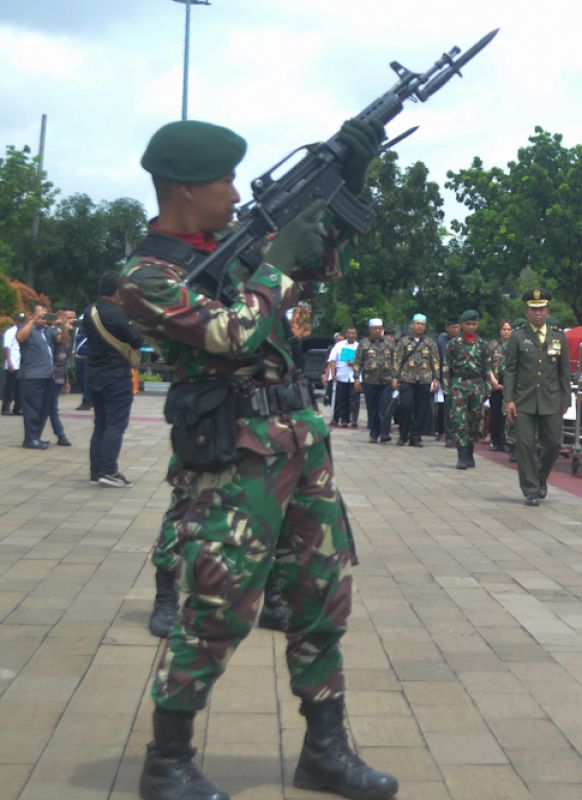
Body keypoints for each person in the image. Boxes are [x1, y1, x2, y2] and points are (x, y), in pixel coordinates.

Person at [120, 118, 396, 800]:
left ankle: (325, 750)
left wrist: (343, 188)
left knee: (322, 597)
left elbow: (309, 265)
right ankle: (168, 762)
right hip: (233, 458)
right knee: (217, 608)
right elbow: (231, 332)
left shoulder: (235, 249)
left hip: (299, 443)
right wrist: (276, 262)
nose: (236, 191)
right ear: (185, 188)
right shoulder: (147, 274)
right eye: (225, 180)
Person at [504, 289, 572, 506]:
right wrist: (509, 400)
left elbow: (564, 371)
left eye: (541, 309)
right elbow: (510, 370)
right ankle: (531, 489)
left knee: (553, 443)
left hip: (551, 399)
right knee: (525, 444)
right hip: (524, 399)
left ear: (547, 311)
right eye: (533, 310)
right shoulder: (518, 336)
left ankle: (541, 478)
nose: (537, 314)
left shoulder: (558, 337)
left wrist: (566, 399)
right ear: (527, 312)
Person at [80, 272, 144, 486]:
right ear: (117, 291)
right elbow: (137, 339)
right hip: (115, 376)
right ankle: (109, 471)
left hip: (94, 374)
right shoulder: (117, 314)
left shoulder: (89, 312)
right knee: (116, 425)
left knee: (100, 424)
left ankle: (96, 471)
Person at [15, 304, 69, 449]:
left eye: (45, 316)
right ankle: (30, 439)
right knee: (32, 408)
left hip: (47, 375)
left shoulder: (48, 331)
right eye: (41, 316)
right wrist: (33, 321)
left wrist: (63, 325)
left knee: (44, 409)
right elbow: (20, 338)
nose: (44, 319)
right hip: (31, 376)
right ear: (31, 315)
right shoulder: (25, 327)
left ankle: (36, 437)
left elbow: (62, 340)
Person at [444, 310, 489, 469]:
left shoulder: (483, 345)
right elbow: (446, 367)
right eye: (468, 324)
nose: (471, 327)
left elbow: (487, 369)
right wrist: (447, 389)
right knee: (459, 420)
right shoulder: (453, 344)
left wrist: (487, 390)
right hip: (459, 384)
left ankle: (470, 451)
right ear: (462, 325)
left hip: (477, 384)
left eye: (474, 324)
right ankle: (461, 455)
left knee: (475, 420)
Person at [393, 313, 440, 446]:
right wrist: (395, 377)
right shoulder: (404, 341)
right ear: (412, 325)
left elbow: (435, 361)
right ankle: (403, 434)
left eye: (422, 324)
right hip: (407, 378)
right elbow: (397, 360)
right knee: (405, 406)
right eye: (417, 323)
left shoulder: (430, 342)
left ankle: (416, 436)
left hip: (425, 379)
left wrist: (436, 379)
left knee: (421, 409)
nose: (419, 326)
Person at [353, 318, 396, 443]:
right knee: (372, 409)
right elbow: (358, 362)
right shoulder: (364, 343)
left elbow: (395, 361)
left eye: (379, 328)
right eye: (374, 328)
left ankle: (384, 433)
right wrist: (356, 379)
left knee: (384, 407)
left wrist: (395, 378)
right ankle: (374, 433)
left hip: (386, 381)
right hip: (370, 381)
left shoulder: (389, 343)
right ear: (370, 329)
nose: (377, 330)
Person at [47, 309, 77, 446]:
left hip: (59, 376)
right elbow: (61, 340)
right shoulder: (52, 332)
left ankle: (36, 434)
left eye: (73, 318)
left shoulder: (70, 336)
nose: (71, 321)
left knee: (50, 407)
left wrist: (67, 380)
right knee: (51, 407)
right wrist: (63, 325)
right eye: (68, 318)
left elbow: (65, 361)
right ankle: (61, 435)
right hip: (49, 375)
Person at [487, 320, 513, 453]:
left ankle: (506, 440)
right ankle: (495, 440)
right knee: (496, 411)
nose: (506, 332)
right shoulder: (493, 345)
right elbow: (487, 364)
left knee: (508, 412)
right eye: (504, 329)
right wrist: (493, 381)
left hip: (510, 381)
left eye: (509, 329)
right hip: (496, 380)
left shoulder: (515, 345)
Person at [327, 327, 360, 427]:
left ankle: (354, 420)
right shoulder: (339, 346)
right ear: (346, 334)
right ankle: (344, 419)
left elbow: (364, 361)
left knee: (355, 400)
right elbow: (332, 360)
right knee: (342, 399)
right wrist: (333, 375)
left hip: (355, 377)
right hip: (342, 376)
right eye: (349, 333)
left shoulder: (359, 346)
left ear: (356, 335)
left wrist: (354, 363)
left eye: (353, 333)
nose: (351, 335)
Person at [436, 320, 460, 446]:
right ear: (447, 327)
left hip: (462, 379)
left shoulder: (462, 340)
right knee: (447, 408)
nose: (455, 330)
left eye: (457, 327)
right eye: (452, 327)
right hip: (446, 378)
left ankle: (459, 435)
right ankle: (449, 436)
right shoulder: (441, 340)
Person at [1, 314, 22, 416]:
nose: (20, 322)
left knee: (20, 388)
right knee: (9, 387)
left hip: (21, 363)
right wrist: (9, 361)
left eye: (22, 320)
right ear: (15, 320)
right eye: (18, 320)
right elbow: (7, 347)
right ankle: (5, 408)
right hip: (12, 362)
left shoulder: (23, 331)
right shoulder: (10, 332)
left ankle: (18, 408)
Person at [73, 316, 92, 410]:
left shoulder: (91, 331)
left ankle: (87, 402)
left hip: (88, 358)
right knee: (80, 379)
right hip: (79, 357)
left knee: (86, 381)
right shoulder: (78, 331)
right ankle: (87, 399)